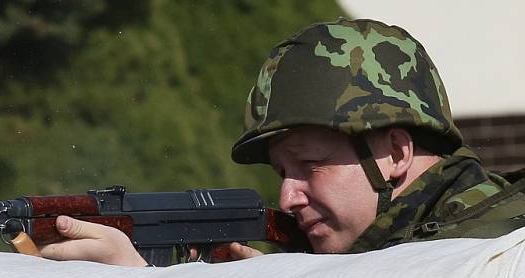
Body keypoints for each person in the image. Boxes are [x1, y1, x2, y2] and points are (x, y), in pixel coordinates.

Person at [39, 18, 525, 265]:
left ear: (395, 154)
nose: (288, 197)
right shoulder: (376, 252)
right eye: (281, 173)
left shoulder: (493, 249)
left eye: (311, 164)